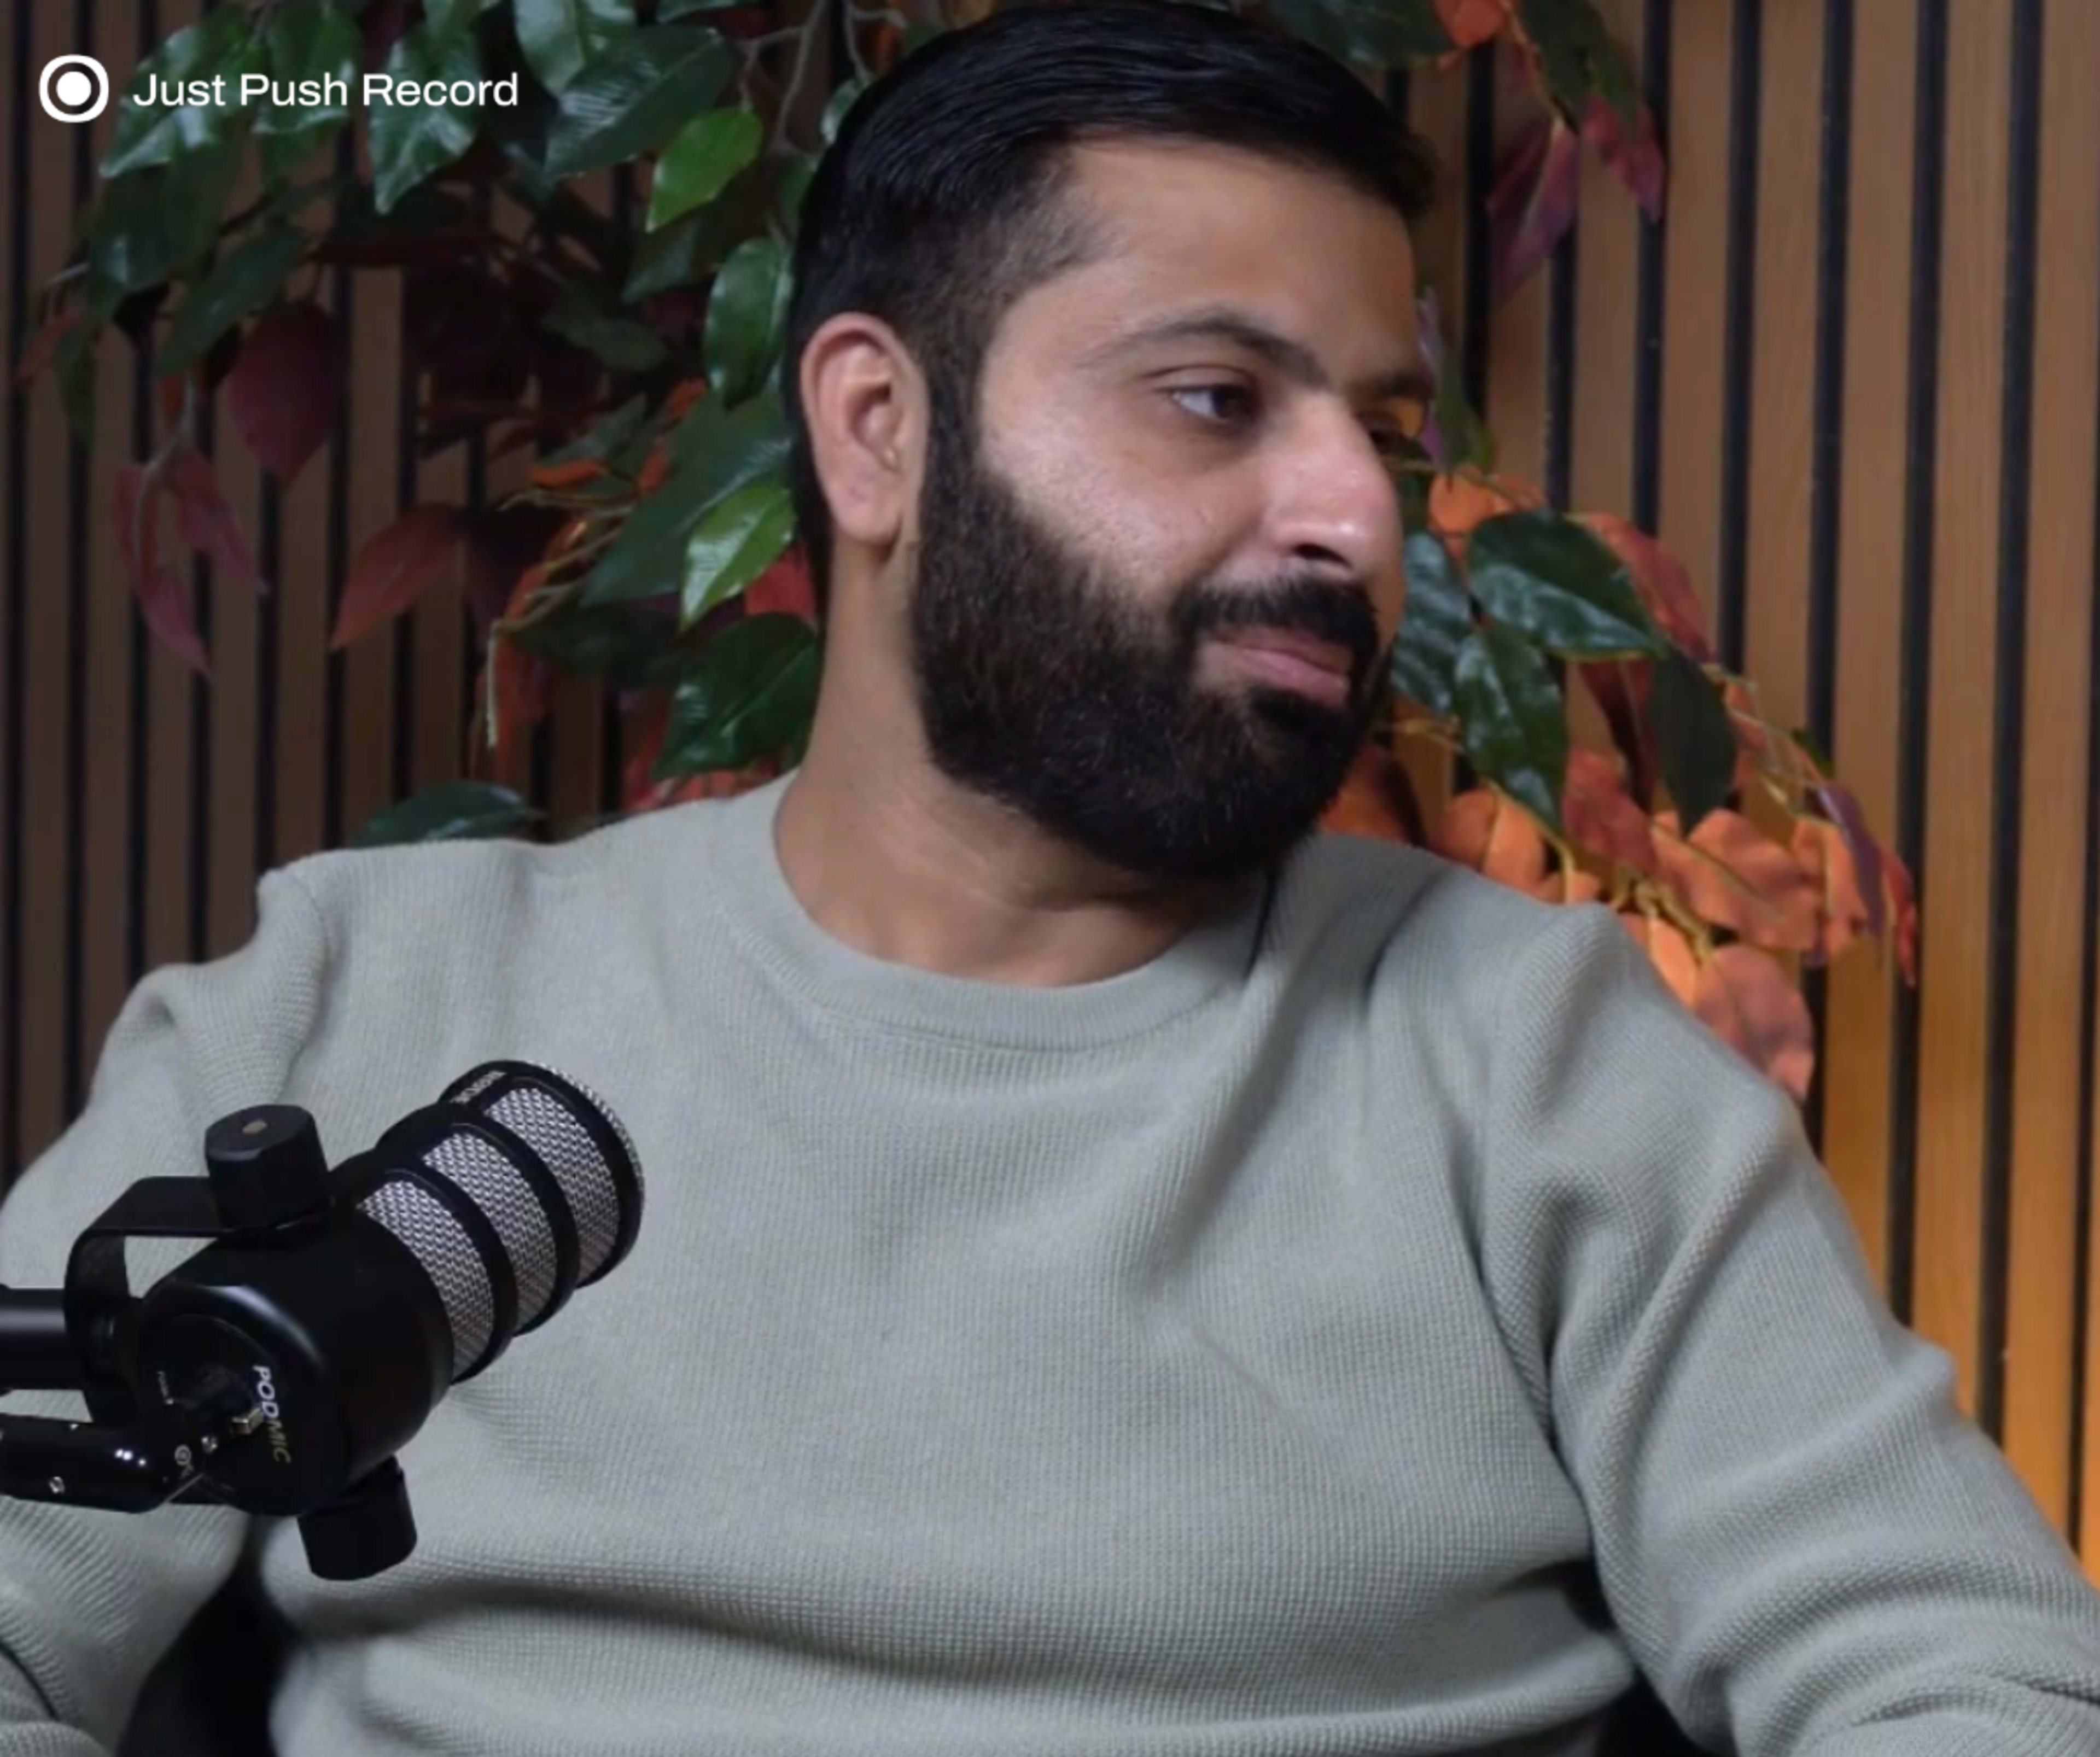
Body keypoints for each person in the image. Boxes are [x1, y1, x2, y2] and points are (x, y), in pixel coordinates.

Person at [5, 3, 2100, 1753]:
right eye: (1218, 397)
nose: (1354, 516)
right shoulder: (359, 1003)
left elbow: (1973, 1687)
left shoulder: (1537, 1055)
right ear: (875, 430)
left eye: (1379, 429)